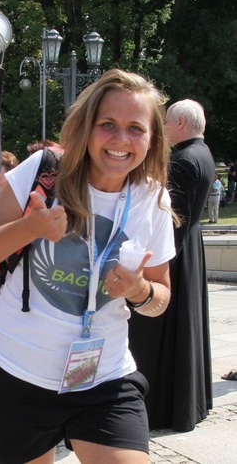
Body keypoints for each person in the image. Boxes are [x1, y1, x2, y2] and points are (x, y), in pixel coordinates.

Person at [0, 69, 177, 463]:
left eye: (136, 128)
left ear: (152, 139)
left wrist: (139, 291)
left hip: (105, 377)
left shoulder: (153, 200)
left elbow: (160, 299)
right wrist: (29, 227)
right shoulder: (45, 171)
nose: (120, 140)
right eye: (108, 125)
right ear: (87, 127)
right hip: (16, 370)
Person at [128, 98, 215, 432]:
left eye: (165, 122)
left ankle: (158, 407)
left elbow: (170, 219)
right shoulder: (202, 154)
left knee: (155, 334)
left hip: (174, 252)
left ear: (180, 123)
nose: (162, 128)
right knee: (184, 333)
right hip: (190, 249)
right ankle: (183, 404)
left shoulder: (183, 160)